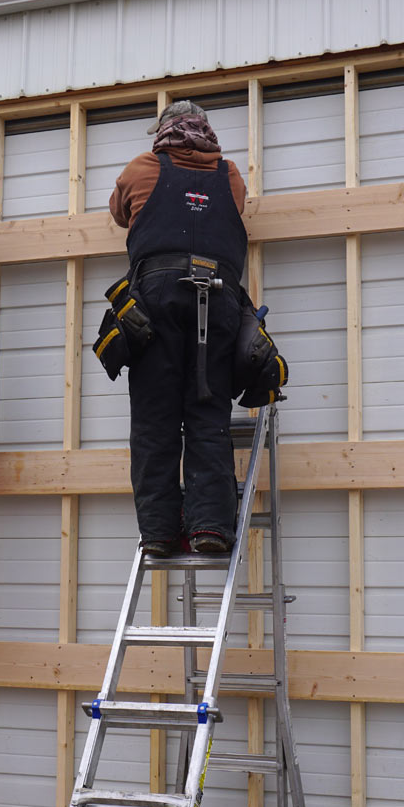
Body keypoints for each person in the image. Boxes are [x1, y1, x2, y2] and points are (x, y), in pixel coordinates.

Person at [109, 101, 248, 557]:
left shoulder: (142, 168)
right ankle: (209, 525)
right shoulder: (229, 176)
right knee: (208, 413)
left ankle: (160, 532)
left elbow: (118, 212)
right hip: (218, 298)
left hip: (157, 299)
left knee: (155, 418)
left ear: (164, 131)